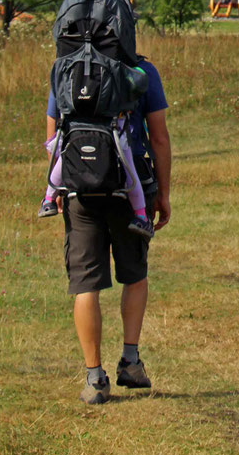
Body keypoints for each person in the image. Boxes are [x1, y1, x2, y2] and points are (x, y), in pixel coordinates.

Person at [45, 50, 172, 405]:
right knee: (134, 275)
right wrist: (162, 193)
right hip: (130, 188)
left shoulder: (63, 68)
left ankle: (94, 378)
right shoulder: (141, 69)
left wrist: (56, 186)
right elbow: (158, 136)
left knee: (86, 283)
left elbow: (53, 135)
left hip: (78, 190)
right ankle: (130, 361)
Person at [39, 108, 154, 240]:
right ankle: (140, 215)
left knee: (65, 156)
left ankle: (48, 200)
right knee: (129, 168)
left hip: (75, 127)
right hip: (114, 126)